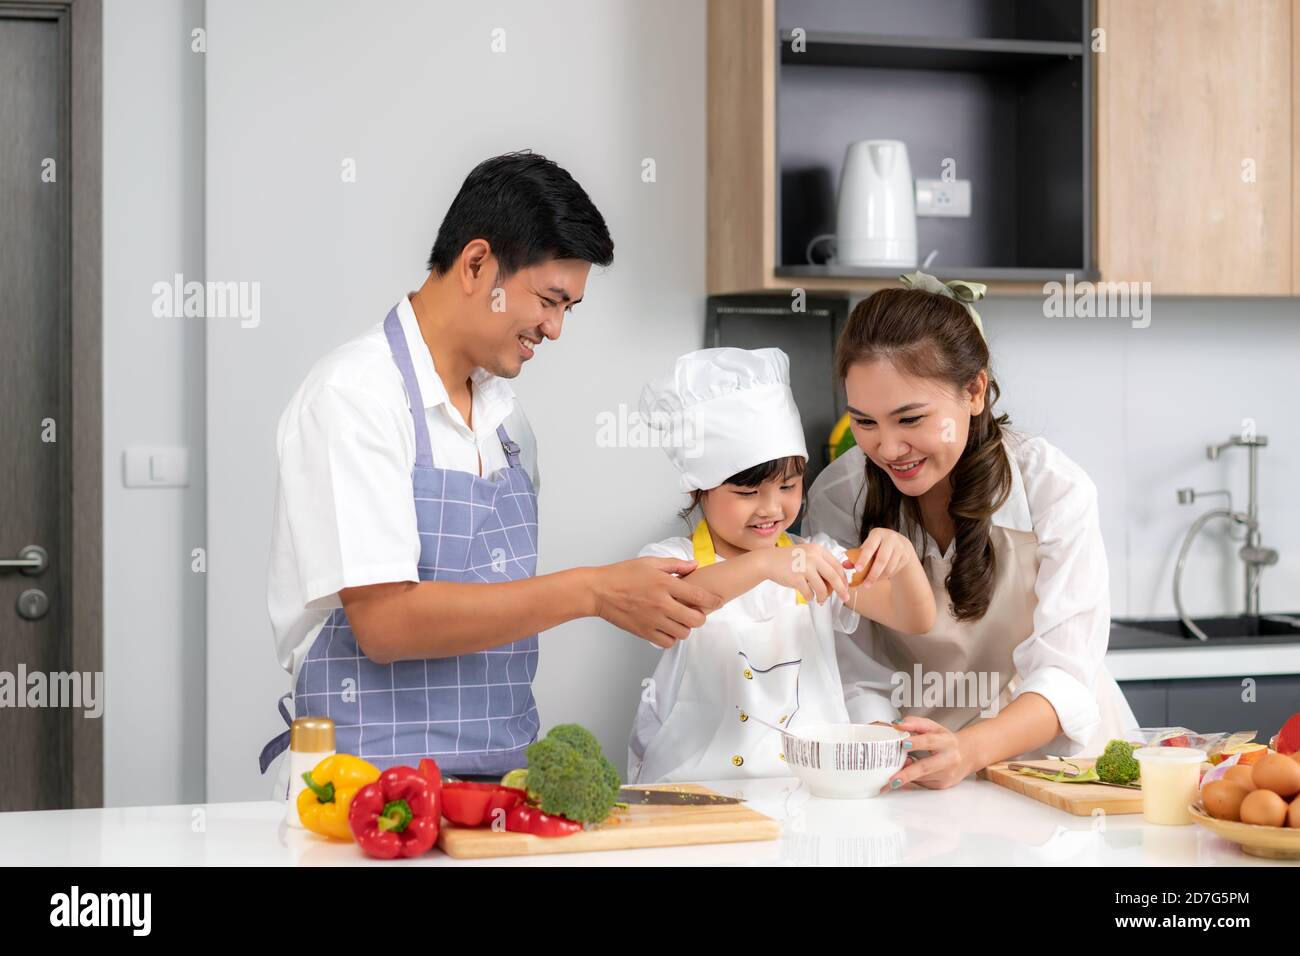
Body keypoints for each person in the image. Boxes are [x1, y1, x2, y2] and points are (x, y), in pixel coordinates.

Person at [260, 152, 721, 786]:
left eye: (570, 310)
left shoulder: (509, 425)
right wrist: (593, 591)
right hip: (364, 790)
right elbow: (386, 624)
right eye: (550, 300)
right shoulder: (356, 396)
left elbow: (496, 612)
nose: (555, 330)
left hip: (498, 783)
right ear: (478, 264)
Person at [805, 273, 1138, 792]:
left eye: (910, 418)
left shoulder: (1053, 489)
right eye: (864, 422)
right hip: (913, 765)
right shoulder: (837, 495)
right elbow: (853, 664)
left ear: (974, 390)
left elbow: (1065, 674)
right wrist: (878, 738)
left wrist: (969, 749)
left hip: (1055, 771)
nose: (888, 448)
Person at [628, 347, 936, 783]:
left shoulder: (817, 560)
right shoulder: (670, 561)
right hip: (694, 791)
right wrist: (766, 564)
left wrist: (903, 560)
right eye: (748, 492)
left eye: (789, 486)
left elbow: (915, 617)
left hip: (807, 791)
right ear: (700, 489)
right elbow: (682, 598)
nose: (771, 508)